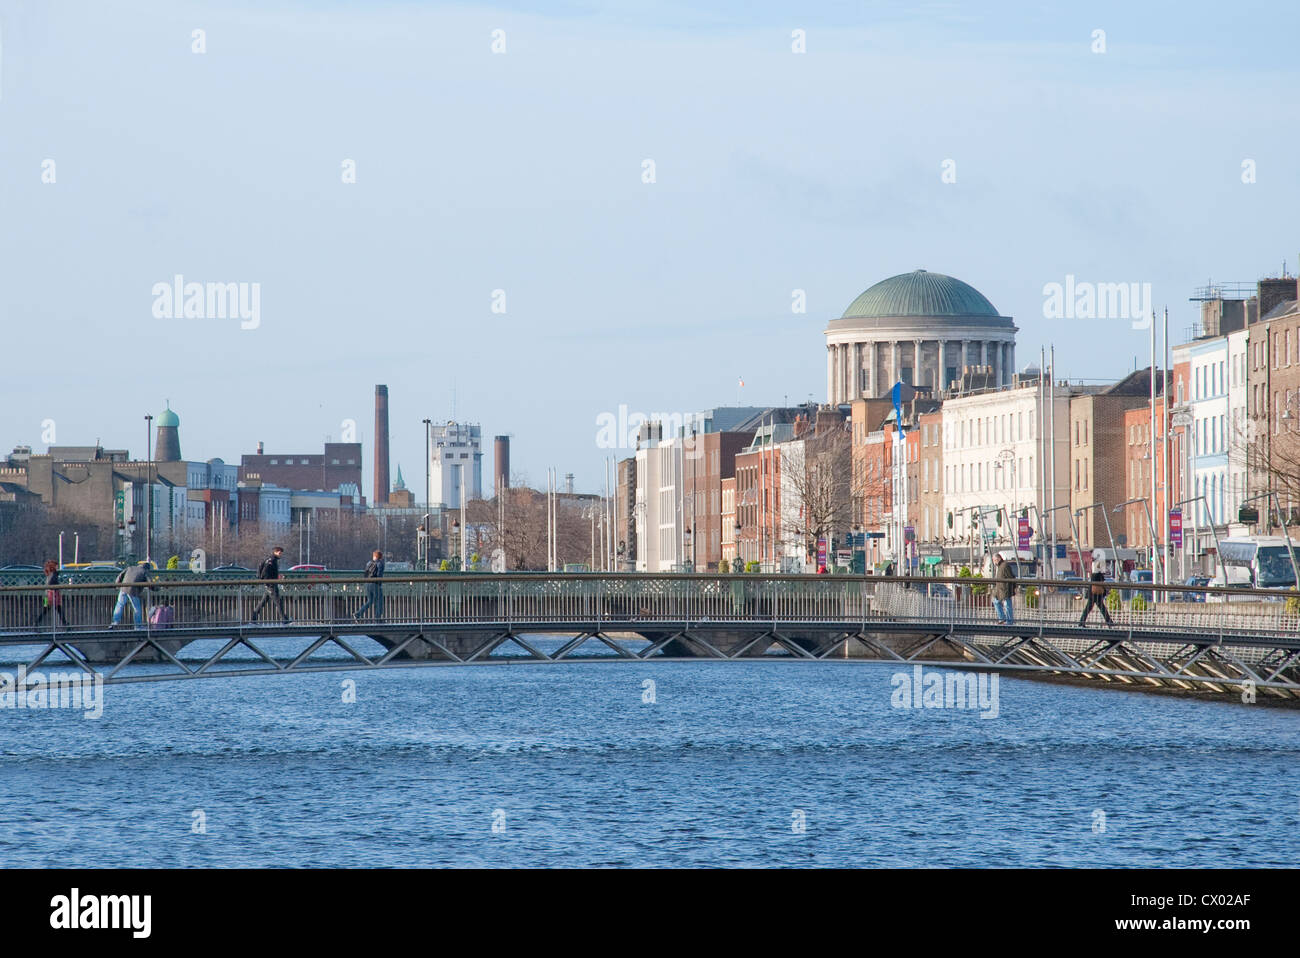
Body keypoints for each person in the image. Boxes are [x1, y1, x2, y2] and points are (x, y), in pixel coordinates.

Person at [250, 546, 291, 625]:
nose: (280, 554)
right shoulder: (272, 561)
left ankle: (253, 618)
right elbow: (266, 572)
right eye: (279, 553)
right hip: (271, 584)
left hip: (269, 584)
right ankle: (284, 620)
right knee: (278, 602)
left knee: (263, 602)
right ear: (275, 552)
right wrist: (268, 581)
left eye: (281, 553)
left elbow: (263, 570)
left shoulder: (268, 559)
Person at [111, 560, 151, 627]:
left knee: (119, 605)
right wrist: (157, 589)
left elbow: (120, 576)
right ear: (147, 568)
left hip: (123, 588)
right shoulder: (144, 571)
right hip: (133, 591)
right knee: (136, 608)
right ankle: (138, 626)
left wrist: (117, 585)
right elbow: (150, 583)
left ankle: (115, 622)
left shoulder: (130, 568)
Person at [33, 560, 68, 628]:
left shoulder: (48, 574)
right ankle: (65, 623)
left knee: (46, 609)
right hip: (53, 595)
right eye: (56, 566)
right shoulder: (54, 574)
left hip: (46, 595)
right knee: (59, 609)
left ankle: (37, 622)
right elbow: (53, 583)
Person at [353, 550, 385, 622]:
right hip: (375, 584)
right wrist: (379, 583)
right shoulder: (380, 563)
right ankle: (378, 619)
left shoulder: (369, 563)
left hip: (367, 583)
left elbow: (366, 573)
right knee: (379, 601)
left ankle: (358, 614)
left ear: (374, 556)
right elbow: (379, 574)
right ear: (380, 557)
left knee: (370, 601)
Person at [992, 553, 1017, 624]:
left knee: (1007, 604)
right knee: (998, 602)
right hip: (1001, 589)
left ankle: (1008, 621)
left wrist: (1013, 587)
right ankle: (1004, 619)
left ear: (998, 559)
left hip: (1004, 589)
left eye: (994, 560)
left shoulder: (1004, 566)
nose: (994, 562)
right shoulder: (1001, 566)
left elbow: (1010, 577)